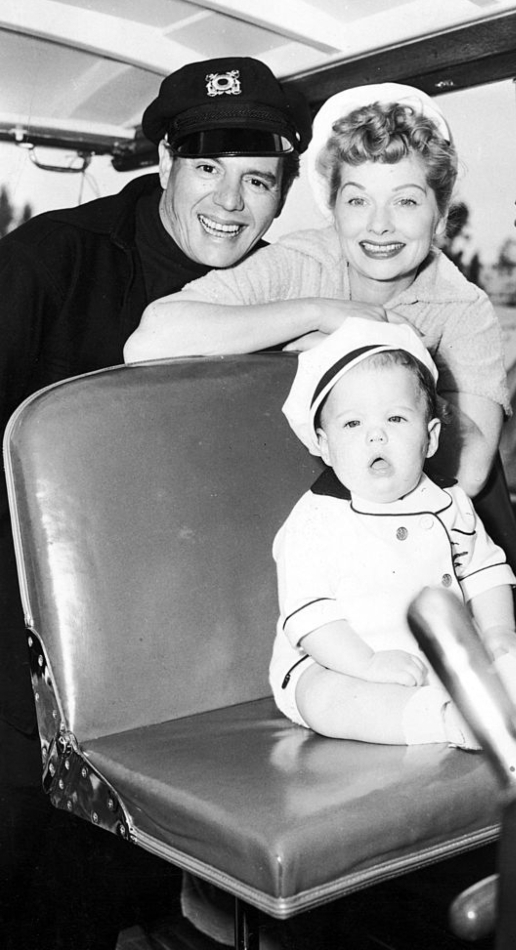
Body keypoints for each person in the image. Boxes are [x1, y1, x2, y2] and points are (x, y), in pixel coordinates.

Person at [0, 56, 310, 950]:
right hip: (36, 645)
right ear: (163, 160)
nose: (230, 201)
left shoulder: (284, 292)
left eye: (259, 179)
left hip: (205, 652)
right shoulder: (47, 265)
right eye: (207, 166)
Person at [124, 83, 510, 499]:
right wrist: (316, 315)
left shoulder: (462, 307)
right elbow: (148, 343)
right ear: (334, 210)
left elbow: (467, 469)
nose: (379, 225)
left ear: (439, 217)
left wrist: (358, 351)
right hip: (270, 491)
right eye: (358, 201)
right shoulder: (300, 260)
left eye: (406, 202)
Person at [271, 318, 516, 747]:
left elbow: (484, 571)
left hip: (445, 653)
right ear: (323, 444)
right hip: (339, 660)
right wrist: (368, 664)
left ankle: (500, 690)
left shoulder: (450, 502)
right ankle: (445, 722)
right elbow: (310, 618)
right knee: (327, 698)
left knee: (508, 651)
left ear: (430, 438)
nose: (376, 435)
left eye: (396, 418)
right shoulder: (317, 520)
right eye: (353, 424)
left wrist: (499, 631)